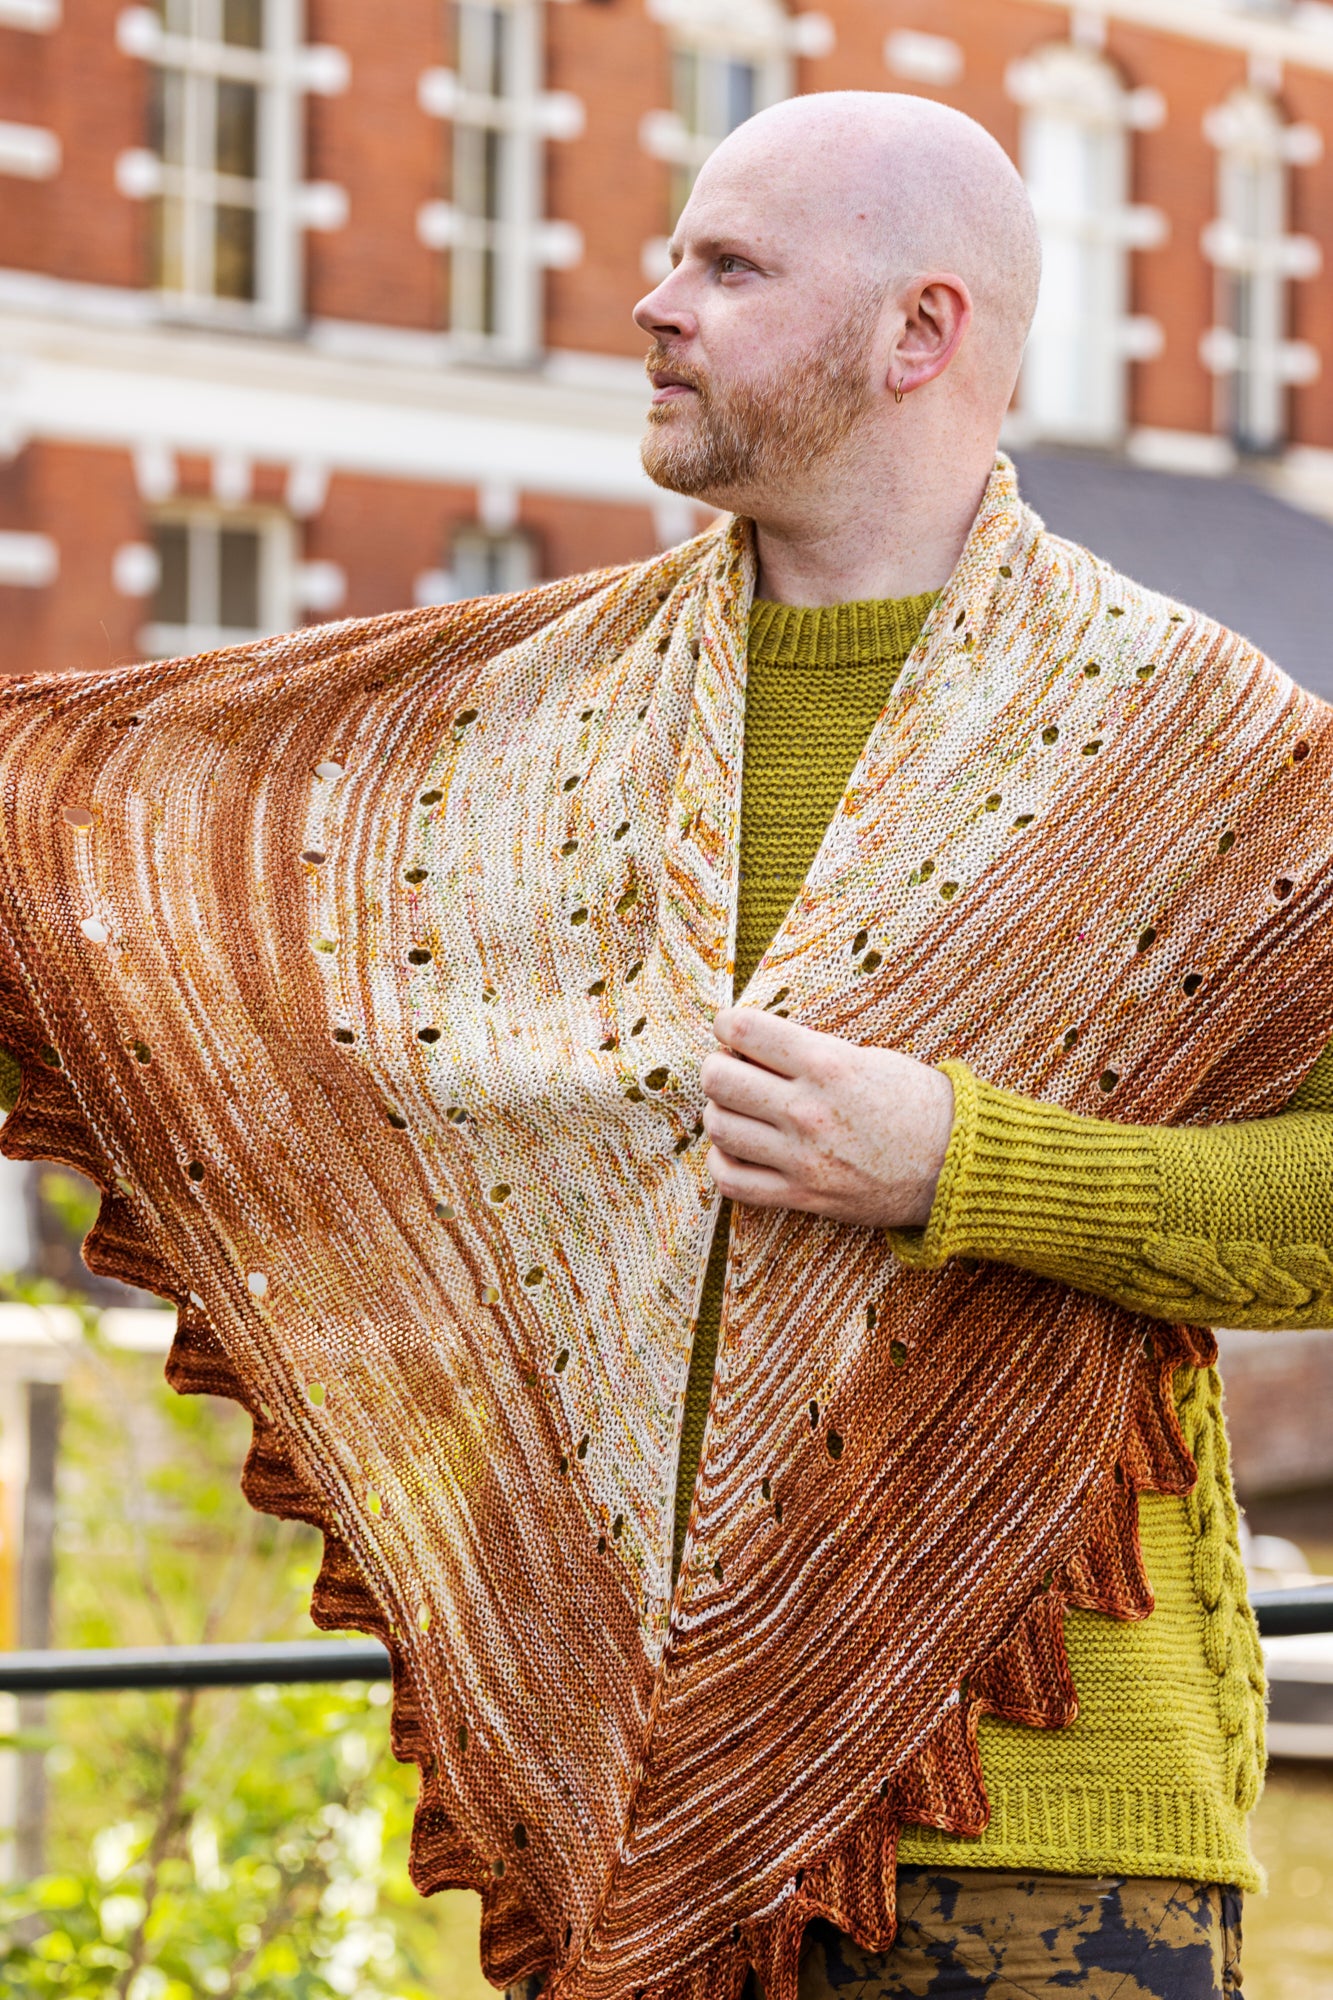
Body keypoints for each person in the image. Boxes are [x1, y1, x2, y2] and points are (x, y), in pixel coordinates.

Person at [1, 90, 1330, 2000]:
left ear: (916, 334)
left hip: (1047, 1817)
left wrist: (962, 1164)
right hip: (615, 1758)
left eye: (726, 265)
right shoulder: (522, 718)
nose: (651, 302)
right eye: (670, 253)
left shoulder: (1196, 750)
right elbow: (109, 892)